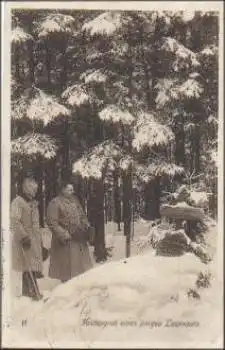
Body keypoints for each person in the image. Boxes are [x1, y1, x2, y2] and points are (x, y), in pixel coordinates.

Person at [46, 182, 93, 283]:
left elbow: (82, 216)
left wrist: (86, 225)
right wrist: (63, 234)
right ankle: (66, 291)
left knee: (80, 267)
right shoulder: (55, 203)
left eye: (73, 190)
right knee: (67, 270)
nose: (72, 192)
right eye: (69, 190)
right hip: (65, 241)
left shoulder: (75, 201)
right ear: (63, 190)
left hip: (78, 238)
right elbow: (52, 222)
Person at [10, 177, 43, 300]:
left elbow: (36, 224)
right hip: (25, 239)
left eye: (36, 190)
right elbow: (14, 220)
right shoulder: (18, 202)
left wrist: (39, 241)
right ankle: (33, 293)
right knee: (27, 266)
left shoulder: (33, 203)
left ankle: (28, 293)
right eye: (33, 189)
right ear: (26, 189)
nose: (35, 192)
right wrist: (23, 236)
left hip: (33, 239)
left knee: (31, 267)